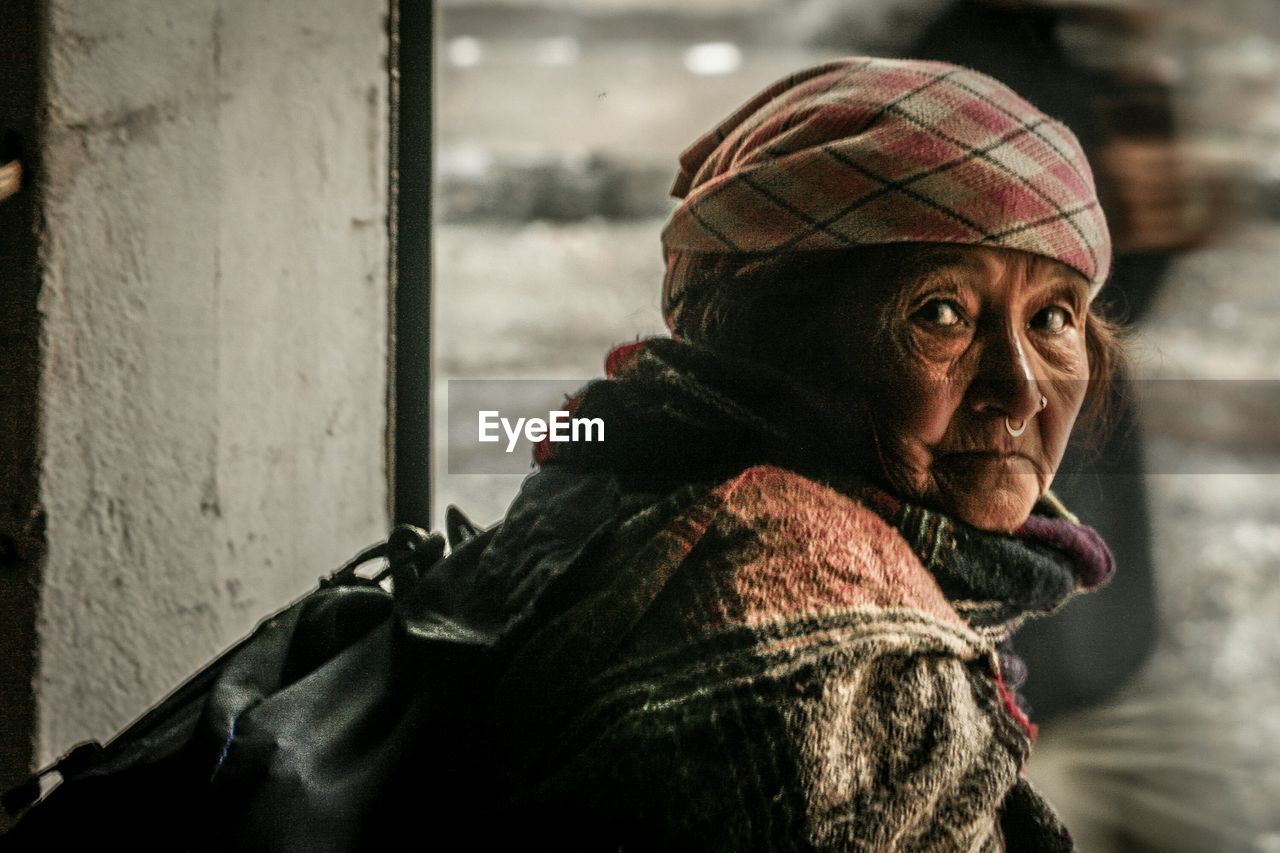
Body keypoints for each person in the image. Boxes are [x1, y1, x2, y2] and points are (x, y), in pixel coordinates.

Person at [464, 57, 1120, 850]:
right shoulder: (843, 659)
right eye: (943, 312)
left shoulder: (627, 458)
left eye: (1053, 318)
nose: (1019, 390)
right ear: (782, 341)